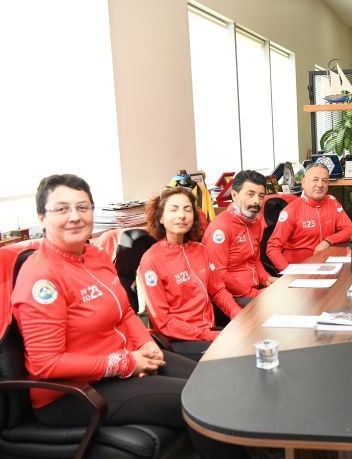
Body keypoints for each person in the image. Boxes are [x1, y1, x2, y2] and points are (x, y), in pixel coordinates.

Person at [11, 174, 196, 429]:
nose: (75, 216)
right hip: (72, 394)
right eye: (61, 209)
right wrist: (126, 363)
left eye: (83, 207)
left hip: (122, 364)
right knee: (198, 399)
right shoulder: (41, 276)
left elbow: (125, 312)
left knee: (208, 380)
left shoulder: (96, 255)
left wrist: (145, 343)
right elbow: (47, 363)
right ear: (41, 217)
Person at [137, 186, 242, 361]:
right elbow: (163, 321)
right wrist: (209, 335)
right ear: (160, 217)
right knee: (239, 353)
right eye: (174, 209)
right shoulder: (151, 260)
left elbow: (218, 291)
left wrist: (238, 315)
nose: (182, 215)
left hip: (208, 330)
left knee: (252, 339)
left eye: (187, 209)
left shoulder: (200, 250)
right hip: (180, 340)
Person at [267, 163, 352, 271]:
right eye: (315, 180)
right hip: (300, 270)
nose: (320, 185)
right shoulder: (291, 210)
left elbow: (351, 229)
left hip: (327, 266)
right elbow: (273, 248)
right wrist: (288, 273)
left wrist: (327, 241)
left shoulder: (332, 202)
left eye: (324, 181)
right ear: (303, 182)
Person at [203, 170, 276, 299]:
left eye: (261, 196)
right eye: (250, 194)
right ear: (234, 195)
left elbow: (254, 260)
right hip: (232, 297)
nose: (256, 201)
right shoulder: (220, 228)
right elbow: (219, 274)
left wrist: (266, 278)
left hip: (255, 290)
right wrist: (253, 294)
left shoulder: (255, 221)